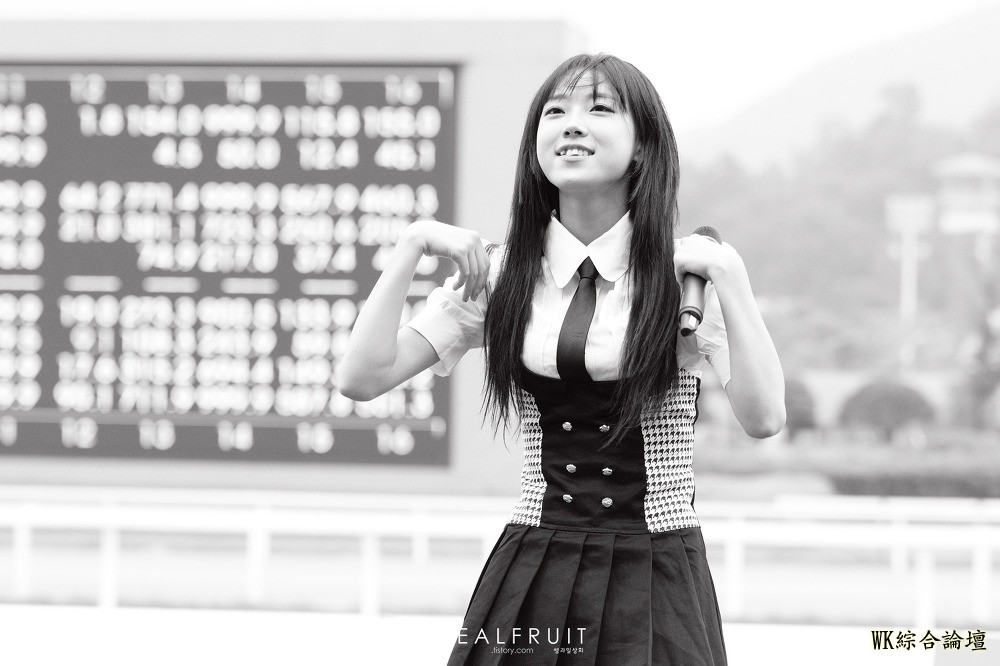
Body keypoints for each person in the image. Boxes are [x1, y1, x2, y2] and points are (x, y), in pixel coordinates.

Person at [338, 53, 784, 665]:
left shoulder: (688, 277)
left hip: (656, 566)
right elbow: (362, 378)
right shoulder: (500, 275)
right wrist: (411, 246)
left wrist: (731, 280)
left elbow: (764, 418)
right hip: (533, 565)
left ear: (643, 147)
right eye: (555, 111)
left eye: (599, 109)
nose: (572, 123)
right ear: (535, 146)